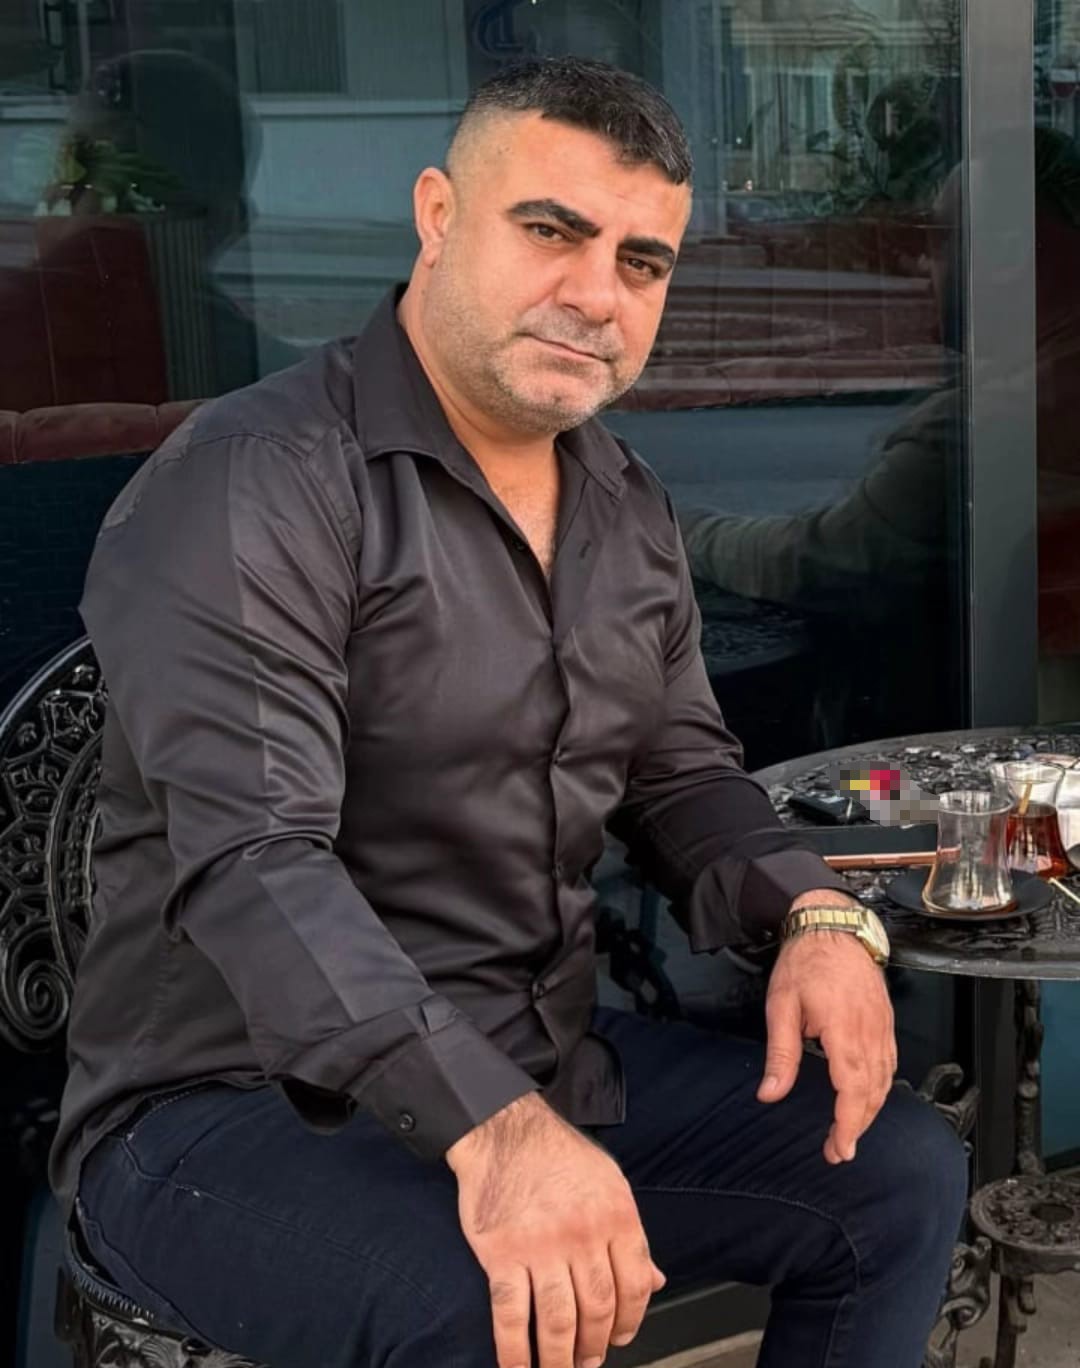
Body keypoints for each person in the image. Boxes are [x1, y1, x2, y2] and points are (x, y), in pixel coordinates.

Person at [51, 57, 966, 1368]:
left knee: (895, 1173)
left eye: (641, 262)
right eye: (550, 231)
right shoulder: (258, 481)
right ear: (438, 215)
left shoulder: (622, 503)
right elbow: (258, 865)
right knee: (485, 1309)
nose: (596, 294)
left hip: (537, 1057)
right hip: (230, 1106)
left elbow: (681, 774)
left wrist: (815, 916)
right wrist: (496, 1129)